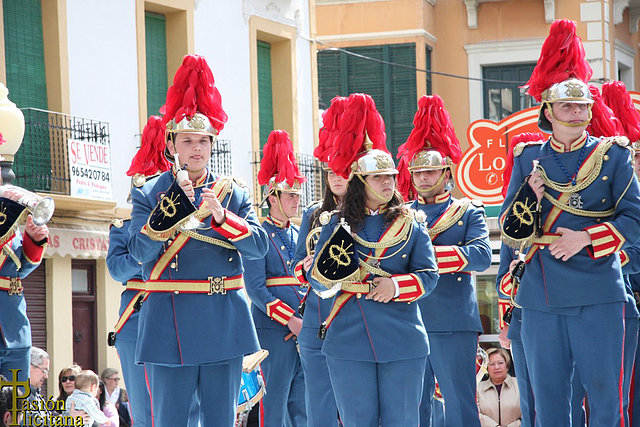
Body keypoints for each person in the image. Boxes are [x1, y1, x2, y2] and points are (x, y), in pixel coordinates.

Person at [499, 19, 640, 425]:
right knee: (548, 400)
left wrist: (586, 238)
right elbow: (510, 227)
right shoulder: (527, 157)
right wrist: (530, 197)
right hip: (542, 293)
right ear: (548, 110)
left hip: (599, 289)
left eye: (582, 106)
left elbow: (634, 219)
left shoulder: (613, 156)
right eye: (567, 106)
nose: (576, 112)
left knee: (605, 399)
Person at [127, 54, 268, 427]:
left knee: (221, 420)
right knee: (171, 420)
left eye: (203, 141)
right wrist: (169, 212)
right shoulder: (149, 192)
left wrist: (222, 218)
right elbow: (136, 254)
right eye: (187, 140)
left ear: (212, 145)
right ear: (172, 143)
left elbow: (258, 248)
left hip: (223, 317)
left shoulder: (232, 191)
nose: (196, 148)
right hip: (168, 321)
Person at [308, 93, 439, 426]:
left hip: (402, 337)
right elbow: (319, 283)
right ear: (360, 183)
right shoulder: (336, 224)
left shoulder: (410, 223)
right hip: (348, 337)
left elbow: (428, 275)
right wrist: (320, 274)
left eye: (391, 177)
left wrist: (395, 285)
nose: (389, 182)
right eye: (379, 177)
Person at [397, 94, 491, 427]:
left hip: (452, 321)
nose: (422, 177)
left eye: (430, 171)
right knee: (412, 407)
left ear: (446, 172)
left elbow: (481, 256)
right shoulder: (401, 214)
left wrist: (427, 258)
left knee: (460, 405)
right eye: (417, 171)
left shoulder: (467, 210)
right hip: (408, 319)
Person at [106, 115, 169, 427]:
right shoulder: (123, 225)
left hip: (178, 311)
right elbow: (117, 269)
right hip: (138, 318)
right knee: (145, 411)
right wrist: (143, 249)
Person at [244, 129, 307, 426]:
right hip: (273, 331)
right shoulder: (259, 234)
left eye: (297, 195)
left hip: (304, 329)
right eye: (290, 195)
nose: (296, 200)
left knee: (303, 405)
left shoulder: (299, 233)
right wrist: (291, 320)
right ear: (273, 197)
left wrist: (305, 320)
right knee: (274, 405)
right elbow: (256, 289)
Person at [292, 95, 346, 427]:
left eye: (343, 171)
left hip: (350, 312)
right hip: (315, 318)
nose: (336, 177)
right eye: (331, 171)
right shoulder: (313, 214)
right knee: (318, 402)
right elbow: (297, 266)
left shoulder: (369, 215)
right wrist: (309, 265)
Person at [496, 132, 545, 427]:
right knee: (529, 397)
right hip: (524, 315)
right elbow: (504, 276)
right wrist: (506, 323)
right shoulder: (514, 221)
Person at [0, 183, 49, 383]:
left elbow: (20, 270)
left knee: (16, 404)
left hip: (15, 328)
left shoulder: (7, 220)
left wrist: (33, 239)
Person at [477, 348, 521, 427]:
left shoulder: (520, 385)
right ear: (486, 368)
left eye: (500, 363)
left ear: (507, 365)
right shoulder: (478, 388)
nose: (497, 367)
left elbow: (528, 412)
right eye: (492, 364)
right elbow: (476, 414)